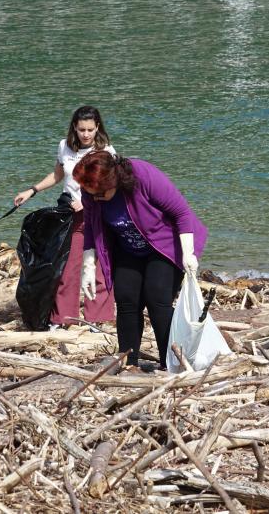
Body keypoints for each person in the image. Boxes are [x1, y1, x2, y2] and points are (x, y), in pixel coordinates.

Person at [73, 150, 207, 371]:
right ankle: (129, 362)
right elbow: (90, 227)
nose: (94, 198)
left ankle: (171, 363)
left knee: (157, 300)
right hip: (127, 249)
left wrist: (188, 254)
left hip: (164, 246)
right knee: (126, 300)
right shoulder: (91, 189)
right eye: (90, 194)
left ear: (112, 181)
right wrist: (88, 266)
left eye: (99, 194)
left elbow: (182, 213)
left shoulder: (143, 176)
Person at [14, 106, 115, 327]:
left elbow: (111, 187)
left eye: (90, 129)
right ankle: (63, 318)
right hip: (70, 213)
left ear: (97, 127)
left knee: (99, 265)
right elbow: (58, 175)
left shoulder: (107, 151)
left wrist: (88, 200)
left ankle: (97, 320)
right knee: (67, 266)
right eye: (81, 129)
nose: (86, 134)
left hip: (98, 212)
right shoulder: (64, 147)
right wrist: (32, 190)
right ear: (74, 128)